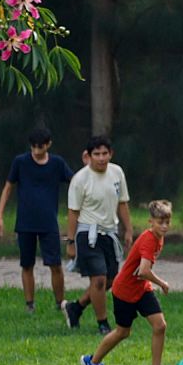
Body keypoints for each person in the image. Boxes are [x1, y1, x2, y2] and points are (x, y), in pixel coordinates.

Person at [83, 201, 176, 365]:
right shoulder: (149, 239)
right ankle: (92, 362)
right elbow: (143, 271)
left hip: (141, 289)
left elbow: (141, 274)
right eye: (160, 222)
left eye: (167, 222)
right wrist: (162, 283)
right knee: (122, 332)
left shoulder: (159, 237)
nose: (164, 226)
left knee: (160, 326)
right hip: (125, 291)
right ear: (151, 221)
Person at [0, 126, 74, 316]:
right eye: (34, 147)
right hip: (25, 222)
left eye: (41, 147)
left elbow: (75, 181)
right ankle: (29, 304)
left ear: (48, 145)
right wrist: (0, 216)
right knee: (27, 264)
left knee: (55, 264)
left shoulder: (57, 163)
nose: (37, 151)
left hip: (48, 222)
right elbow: (8, 188)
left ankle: (59, 302)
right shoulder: (20, 162)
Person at [65, 135, 132, 334]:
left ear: (110, 154)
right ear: (88, 156)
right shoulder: (80, 179)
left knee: (112, 279)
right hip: (88, 233)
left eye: (105, 154)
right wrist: (70, 241)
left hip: (109, 233)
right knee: (99, 279)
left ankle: (76, 307)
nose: (101, 158)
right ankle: (103, 323)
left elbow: (123, 202)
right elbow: (73, 212)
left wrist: (128, 229)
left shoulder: (117, 172)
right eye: (97, 154)